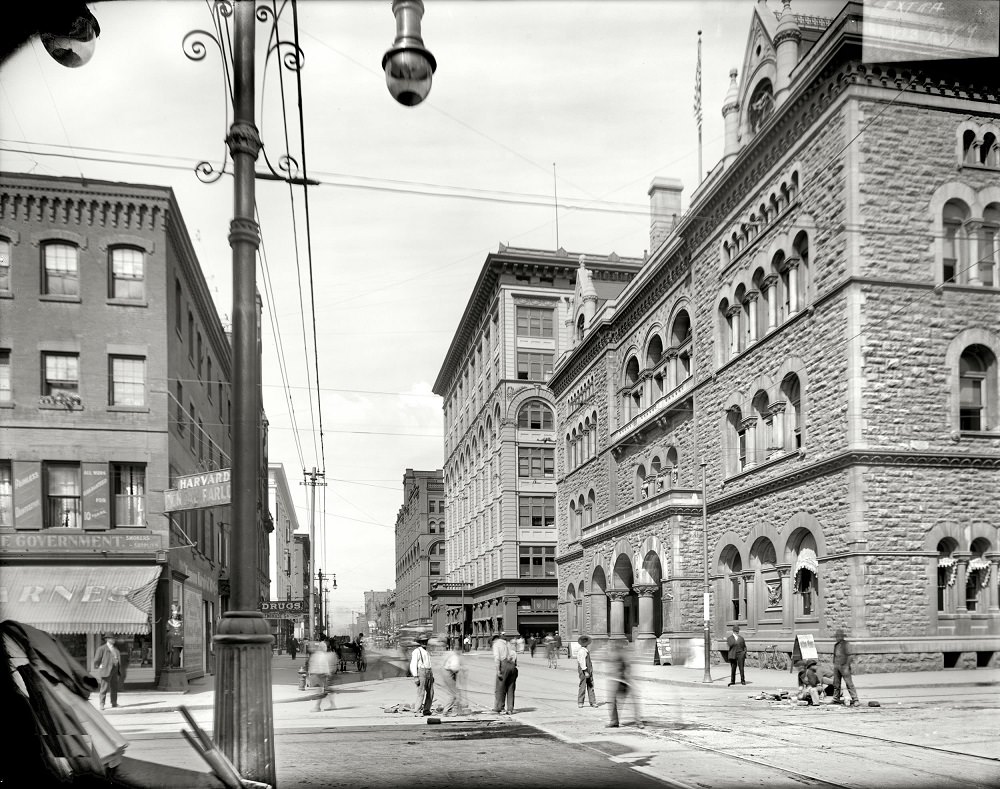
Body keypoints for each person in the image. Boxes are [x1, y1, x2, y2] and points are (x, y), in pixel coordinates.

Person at [606, 639, 642, 728]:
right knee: (632, 702)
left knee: (616, 701)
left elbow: (626, 666)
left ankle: (615, 721)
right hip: (619, 680)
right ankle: (638, 722)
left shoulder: (620, 654)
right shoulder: (618, 654)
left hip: (622, 681)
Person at [93, 634, 126, 710]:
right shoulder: (101, 649)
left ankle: (114, 703)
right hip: (106, 670)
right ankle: (102, 704)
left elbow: (117, 658)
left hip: (115, 669)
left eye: (114, 638)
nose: (114, 640)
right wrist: (99, 666)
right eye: (112, 638)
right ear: (107, 639)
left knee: (114, 687)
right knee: (104, 688)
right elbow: (96, 660)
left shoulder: (115, 649)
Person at [491, 633, 518, 715]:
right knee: (510, 687)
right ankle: (510, 708)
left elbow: (497, 658)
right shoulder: (508, 643)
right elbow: (514, 654)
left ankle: (499, 707)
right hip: (512, 665)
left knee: (500, 687)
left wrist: (498, 670)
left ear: (495, 639)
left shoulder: (496, 644)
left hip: (504, 665)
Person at [832, 629, 860, 707]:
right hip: (837, 665)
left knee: (849, 683)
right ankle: (836, 698)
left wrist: (847, 665)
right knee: (836, 683)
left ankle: (855, 699)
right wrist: (834, 664)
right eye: (836, 636)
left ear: (841, 636)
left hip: (844, 666)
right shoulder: (836, 645)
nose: (836, 638)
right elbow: (835, 655)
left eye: (838, 636)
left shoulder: (846, 644)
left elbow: (850, 655)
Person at [410, 634, 434, 716]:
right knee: (421, 692)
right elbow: (413, 664)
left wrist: (431, 676)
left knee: (431, 692)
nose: (424, 643)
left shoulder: (426, 651)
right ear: (420, 642)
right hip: (421, 672)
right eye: (423, 641)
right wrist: (415, 677)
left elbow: (429, 664)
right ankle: (417, 710)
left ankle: (426, 709)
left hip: (429, 672)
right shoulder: (417, 651)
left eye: (426, 641)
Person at [308, 642, 334, 712]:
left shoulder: (319, 655)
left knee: (320, 691)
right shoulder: (320, 655)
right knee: (326, 690)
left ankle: (317, 707)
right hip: (322, 674)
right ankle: (332, 705)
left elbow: (321, 665)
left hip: (320, 675)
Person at [440, 642, 466, 716]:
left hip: (445, 672)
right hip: (449, 674)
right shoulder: (455, 656)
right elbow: (454, 668)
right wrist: (461, 669)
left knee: (450, 692)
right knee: (453, 694)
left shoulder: (449, 653)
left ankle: (450, 709)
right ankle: (446, 711)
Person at [576, 635, 598, 708]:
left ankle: (593, 701)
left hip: (588, 669)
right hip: (584, 670)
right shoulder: (582, 651)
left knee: (590, 685)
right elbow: (582, 662)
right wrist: (585, 671)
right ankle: (580, 702)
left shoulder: (585, 650)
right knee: (583, 685)